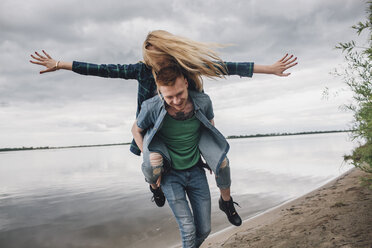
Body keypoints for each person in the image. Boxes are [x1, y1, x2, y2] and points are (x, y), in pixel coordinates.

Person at [30, 30, 297, 225]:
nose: (161, 66)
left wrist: (269, 69)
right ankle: (155, 187)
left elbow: (226, 66)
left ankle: (226, 201)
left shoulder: (184, 68)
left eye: (163, 60)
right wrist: (61, 64)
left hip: (191, 127)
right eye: (156, 62)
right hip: (155, 130)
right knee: (154, 166)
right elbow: (102, 69)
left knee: (222, 161)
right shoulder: (141, 70)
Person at [132, 64, 238, 247]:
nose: (175, 100)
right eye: (169, 96)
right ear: (160, 92)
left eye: (179, 93)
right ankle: (154, 187)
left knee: (204, 230)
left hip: (196, 171)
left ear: (187, 83)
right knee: (188, 229)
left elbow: (209, 123)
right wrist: (146, 155)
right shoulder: (151, 107)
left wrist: (209, 155)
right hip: (170, 175)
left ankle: (226, 202)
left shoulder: (203, 101)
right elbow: (136, 130)